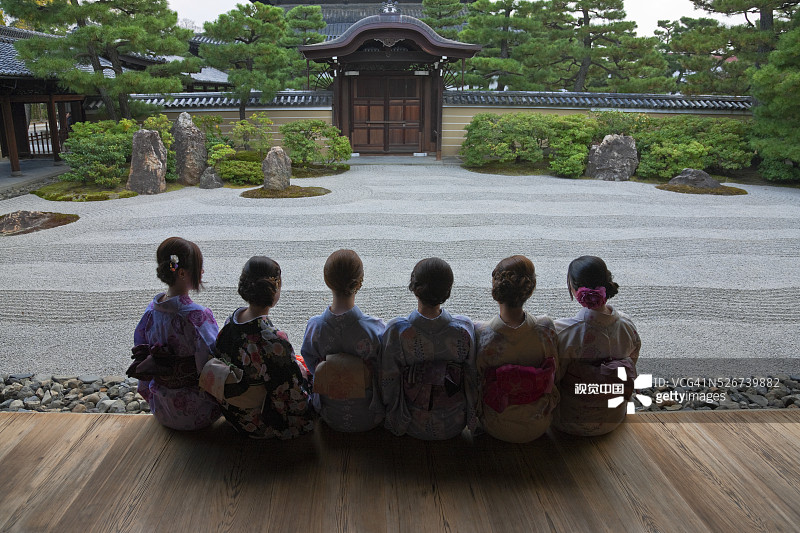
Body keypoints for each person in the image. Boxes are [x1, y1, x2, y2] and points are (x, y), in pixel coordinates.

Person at [199, 256, 314, 439]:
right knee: (311, 377)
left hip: (233, 416)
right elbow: (293, 396)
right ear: (275, 288)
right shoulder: (273, 341)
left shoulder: (232, 321)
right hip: (260, 422)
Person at [129, 237, 221, 430]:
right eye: (198, 268)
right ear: (181, 273)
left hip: (161, 409)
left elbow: (141, 346)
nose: (202, 272)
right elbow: (213, 359)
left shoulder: (152, 311)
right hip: (198, 413)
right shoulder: (197, 316)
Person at [381, 257, 476, 440]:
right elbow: (471, 377)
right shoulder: (463, 329)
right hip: (453, 422)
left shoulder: (397, 331)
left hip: (411, 422)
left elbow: (388, 379)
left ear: (415, 289)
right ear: (447, 291)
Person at [553, 256, 641, 436]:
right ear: (607, 284)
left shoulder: (565, 332)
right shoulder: (627, 326)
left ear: (575, 290)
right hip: (613, 417)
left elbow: (554, 378)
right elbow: (632, 361)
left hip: (570, 421)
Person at [474, 255, 559, 443]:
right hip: (538, 423)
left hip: (496, 424)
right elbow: (555, 372)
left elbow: (477, 379)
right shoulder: (545, 328)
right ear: (530, 289)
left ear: (496, 288)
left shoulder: (481, 332)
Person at [301, 250, 386, 432]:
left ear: (327, 281)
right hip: (370, 415)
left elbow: (310, 360)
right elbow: (384, 368)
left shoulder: (315, 327)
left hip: (330, 415)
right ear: (359, 282)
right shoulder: (374, 328)